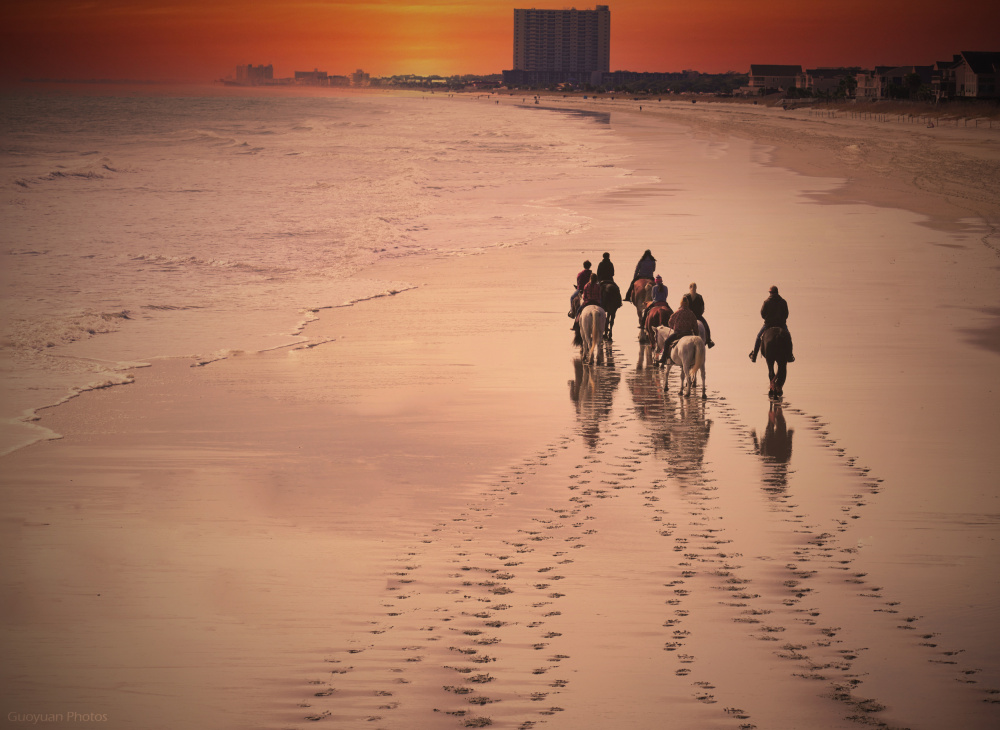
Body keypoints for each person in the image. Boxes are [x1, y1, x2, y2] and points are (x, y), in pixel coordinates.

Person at [749, 285, 794, 363]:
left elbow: (762, 314)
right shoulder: (783, 302)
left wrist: (768, 319)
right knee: (788, 336)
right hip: (781, 325)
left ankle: (754, 356)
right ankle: (790, 356)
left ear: (770, 293)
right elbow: (786, 314)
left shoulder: (766, 302)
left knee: (758, 337)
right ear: (777, 292)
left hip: (768, 325)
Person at [659, 294, 699, 365]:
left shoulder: (677, 312)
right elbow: (695, 325)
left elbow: (670, 322)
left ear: (681, 303)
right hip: (688, 333)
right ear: (688, 304)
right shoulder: (691, 313)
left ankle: (663, 358)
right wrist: (696, 334)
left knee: (667, 342)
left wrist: (672, 326)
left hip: (678, 334)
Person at [688, 282, 715, 348]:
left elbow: (683, 306)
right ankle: (709, 341)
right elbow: (702, 308)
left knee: (706, 325)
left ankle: (709, 341)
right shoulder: (695, 296)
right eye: (693, 287)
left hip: (691, 316)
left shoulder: (691, 296)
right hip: (695, 316)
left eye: (693, 287)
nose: (693, 289)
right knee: (706, 326)